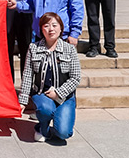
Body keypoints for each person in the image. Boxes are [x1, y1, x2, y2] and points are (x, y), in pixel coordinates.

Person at [18, 12, 82, 143]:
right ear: (41, 30)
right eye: (46, 26)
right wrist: (23, 100)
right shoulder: (33, 48)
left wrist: (58, 93)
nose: (51, 29)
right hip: (43, 94)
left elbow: (75, 77)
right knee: (45, 110)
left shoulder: (69, 49)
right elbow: (28, 75)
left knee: (64, 133)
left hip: (65, 97)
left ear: (61, 28)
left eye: (54, 25)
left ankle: (61, 123)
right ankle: (43, 128)